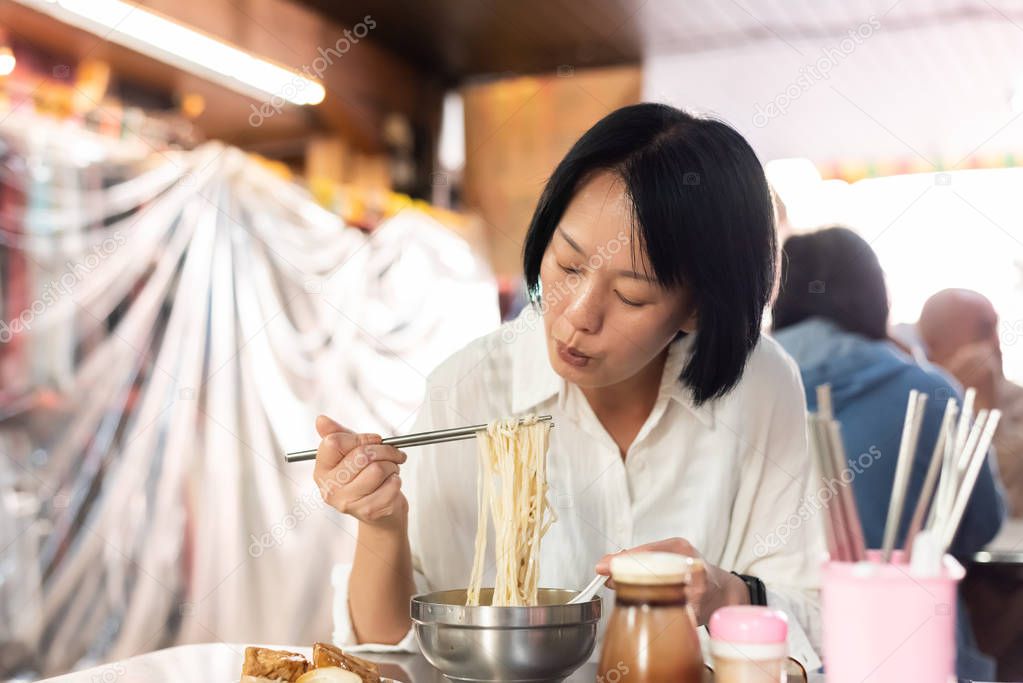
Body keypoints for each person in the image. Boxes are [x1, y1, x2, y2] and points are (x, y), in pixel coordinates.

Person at [313, 103, 824, 668]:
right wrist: (381, 524)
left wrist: (724, 594)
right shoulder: (469, 387)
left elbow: (811, 619)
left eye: (630, 296)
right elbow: (394, 651)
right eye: (568, 266)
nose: (577, 316)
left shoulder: (761, 387)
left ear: (697, 308)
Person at [772, 227, 1006, 680]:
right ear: (876, 296)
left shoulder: (738, 389)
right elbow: (980, 524)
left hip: (778, 658)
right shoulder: (930, 389)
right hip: (919, 655)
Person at [913, 289, 1023, 517]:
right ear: (934, 347)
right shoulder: (914, 406)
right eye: (983, 331)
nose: (996, 342)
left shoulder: (1017, 401)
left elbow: (1007, 503)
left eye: (996, 328)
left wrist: (986, 413)